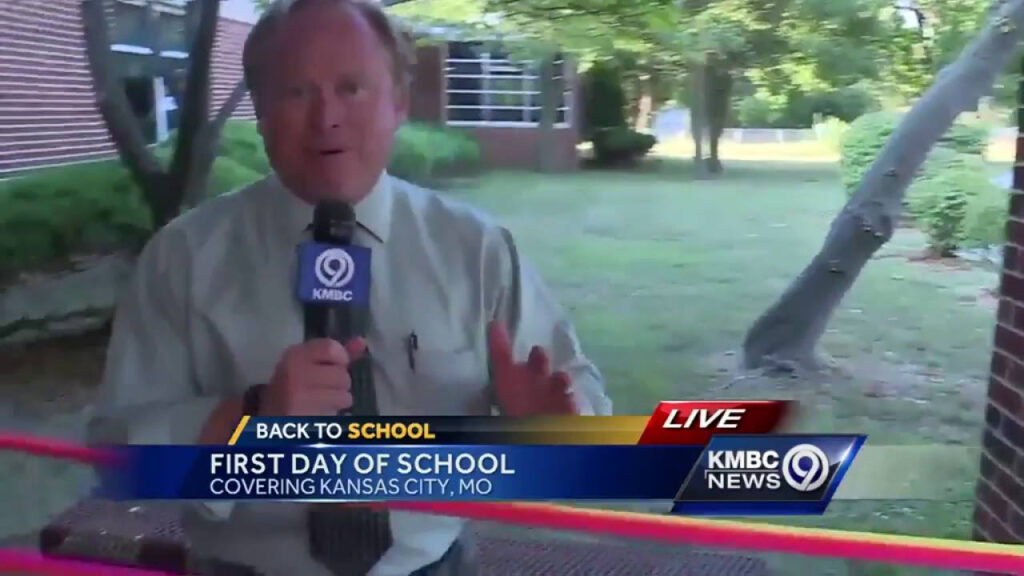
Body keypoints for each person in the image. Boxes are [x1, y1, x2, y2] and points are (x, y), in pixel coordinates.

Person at [87, 0, 613, 574]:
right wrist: (247, 422)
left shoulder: (476, 249)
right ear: (259, 109)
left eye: (352, 88)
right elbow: (118, 458)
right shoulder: (182, 258)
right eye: (296, 92)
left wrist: (552, 427)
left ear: (398, 102)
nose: (327, 118)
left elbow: (582, 407)